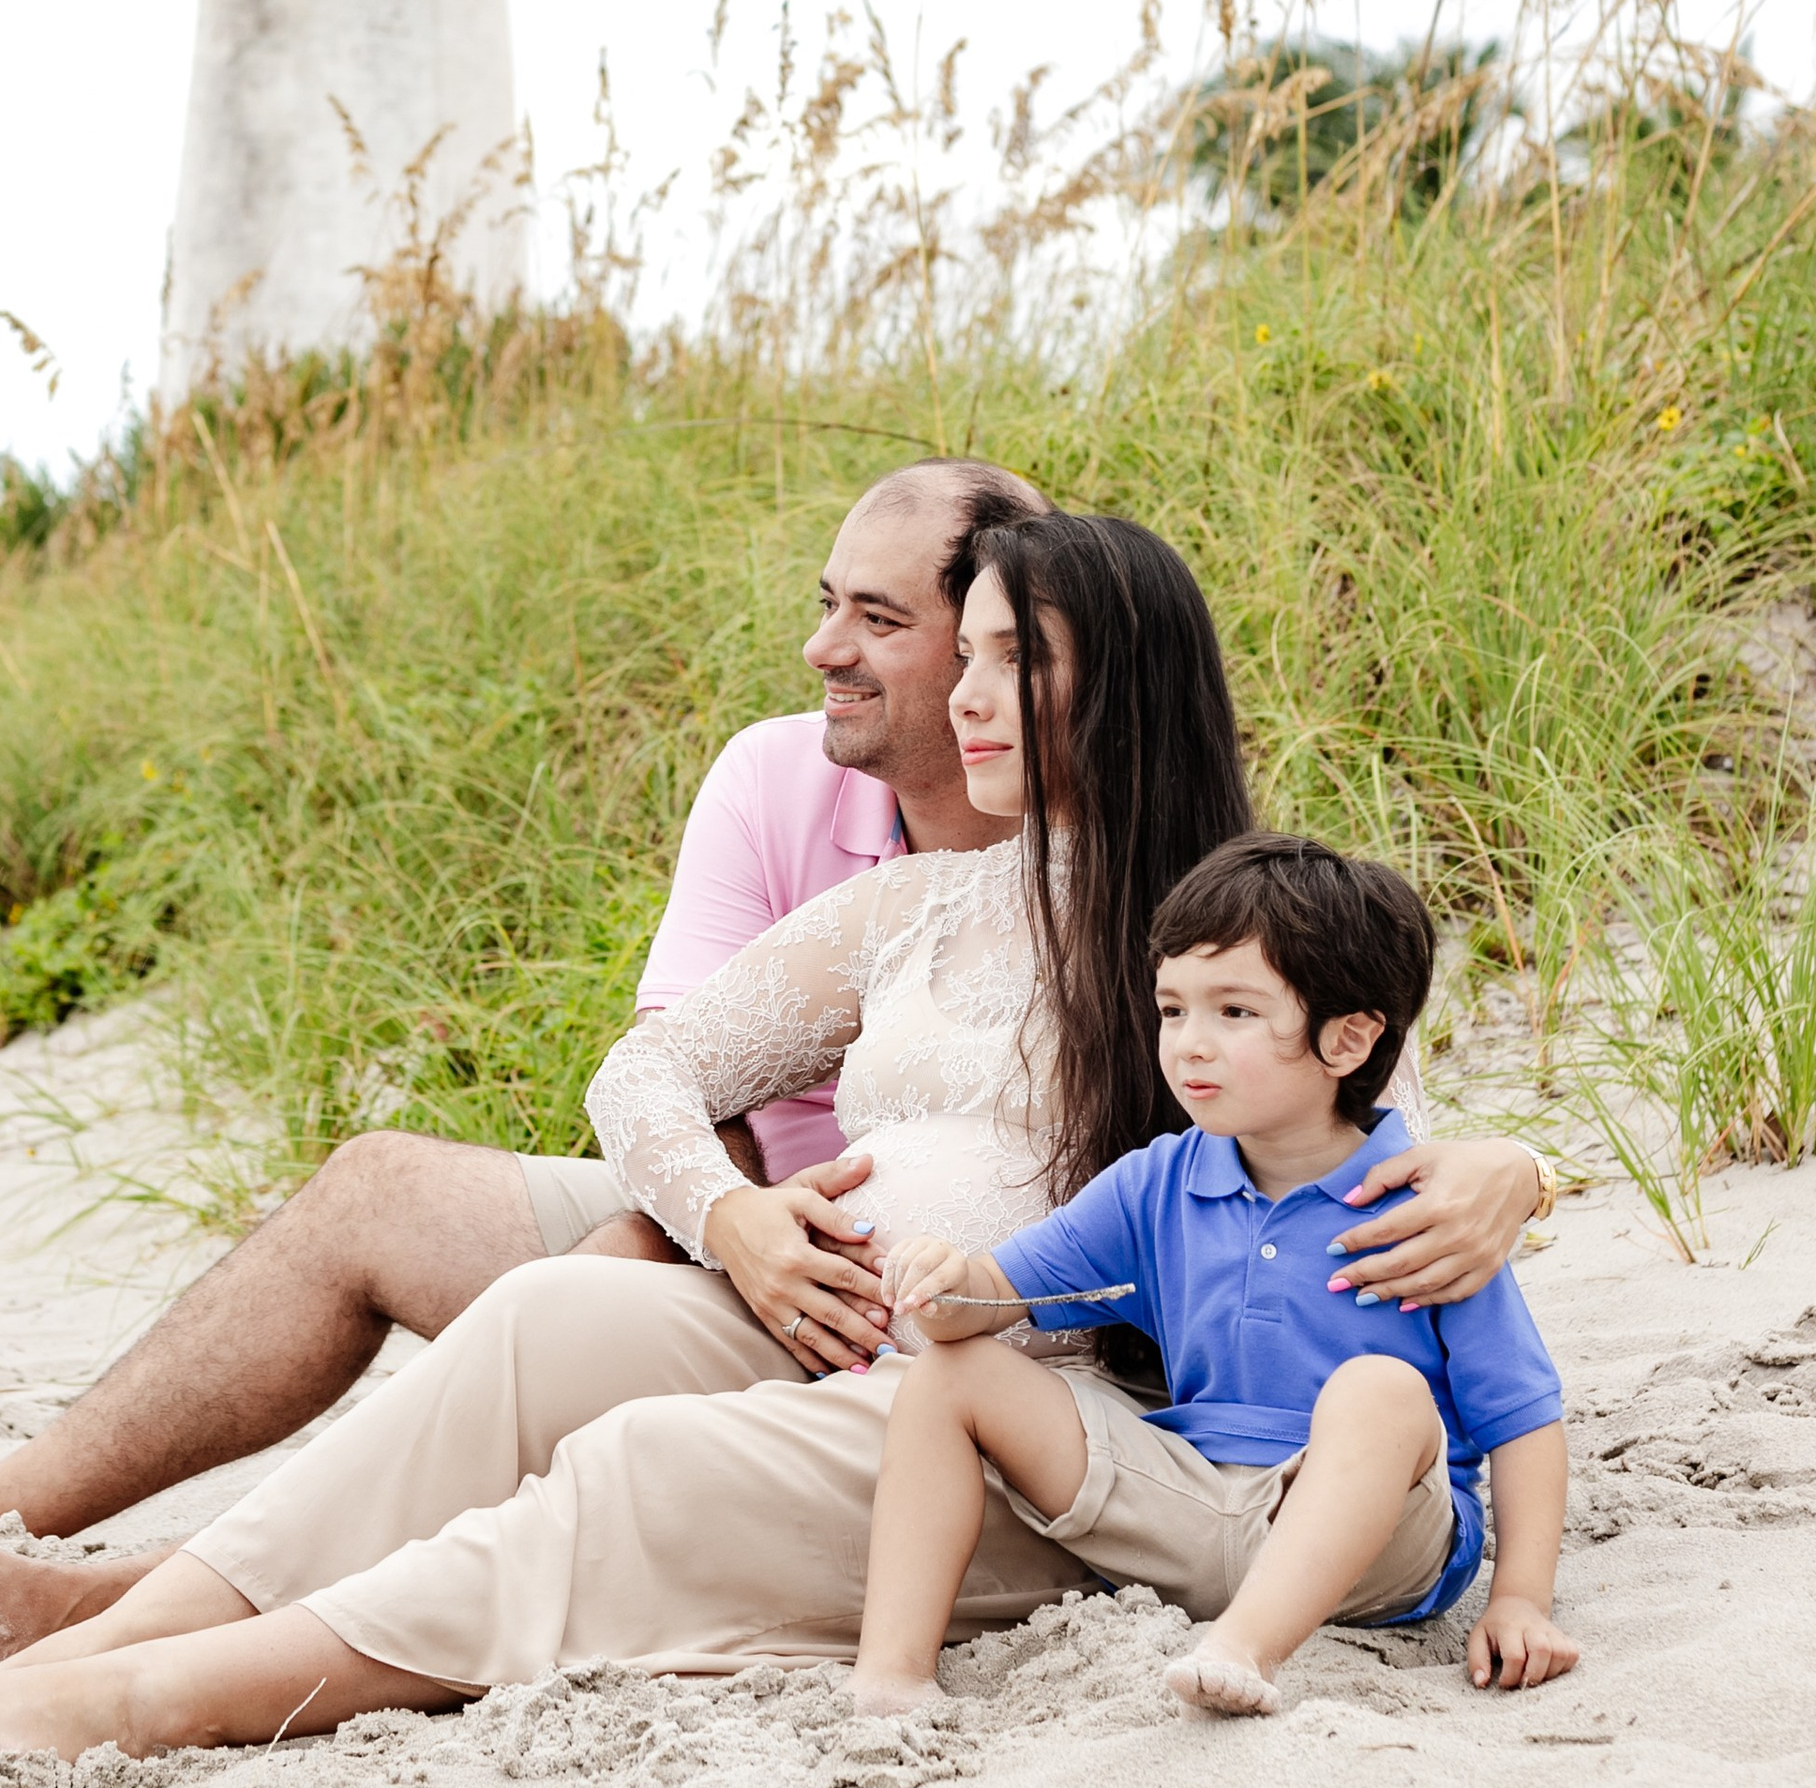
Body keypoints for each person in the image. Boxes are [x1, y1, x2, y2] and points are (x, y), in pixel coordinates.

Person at [0, 462, 1550, 1655]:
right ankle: (41, 1529)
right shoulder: (788, 785)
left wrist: (1513, 1166)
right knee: (489, 1222)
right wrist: (737, 1233)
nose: (837, 655)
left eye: (892, 623)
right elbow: (681, 1089)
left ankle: (162, 1611)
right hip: (765, 1239)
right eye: (836, 606)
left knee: (607, 1299)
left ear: (1026, 647)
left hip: (949, 1315)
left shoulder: (1184, 891)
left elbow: (1315, 1105)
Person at [851, 833, 1577, 1719]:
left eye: (1235, 1013)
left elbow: (1523, 1415)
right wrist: (944, 1281)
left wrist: (1520, 1600)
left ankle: (1244, 1648)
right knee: (951, 1373)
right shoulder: (1156, 1181)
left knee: (1382, 1389)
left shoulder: (1424, 1209)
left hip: (1379, 1543)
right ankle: (891, 1673)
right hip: (1190, 1503)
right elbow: (992, 1297)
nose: (1190, 1045)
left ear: (1347, 1039)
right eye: (1173, 1009)